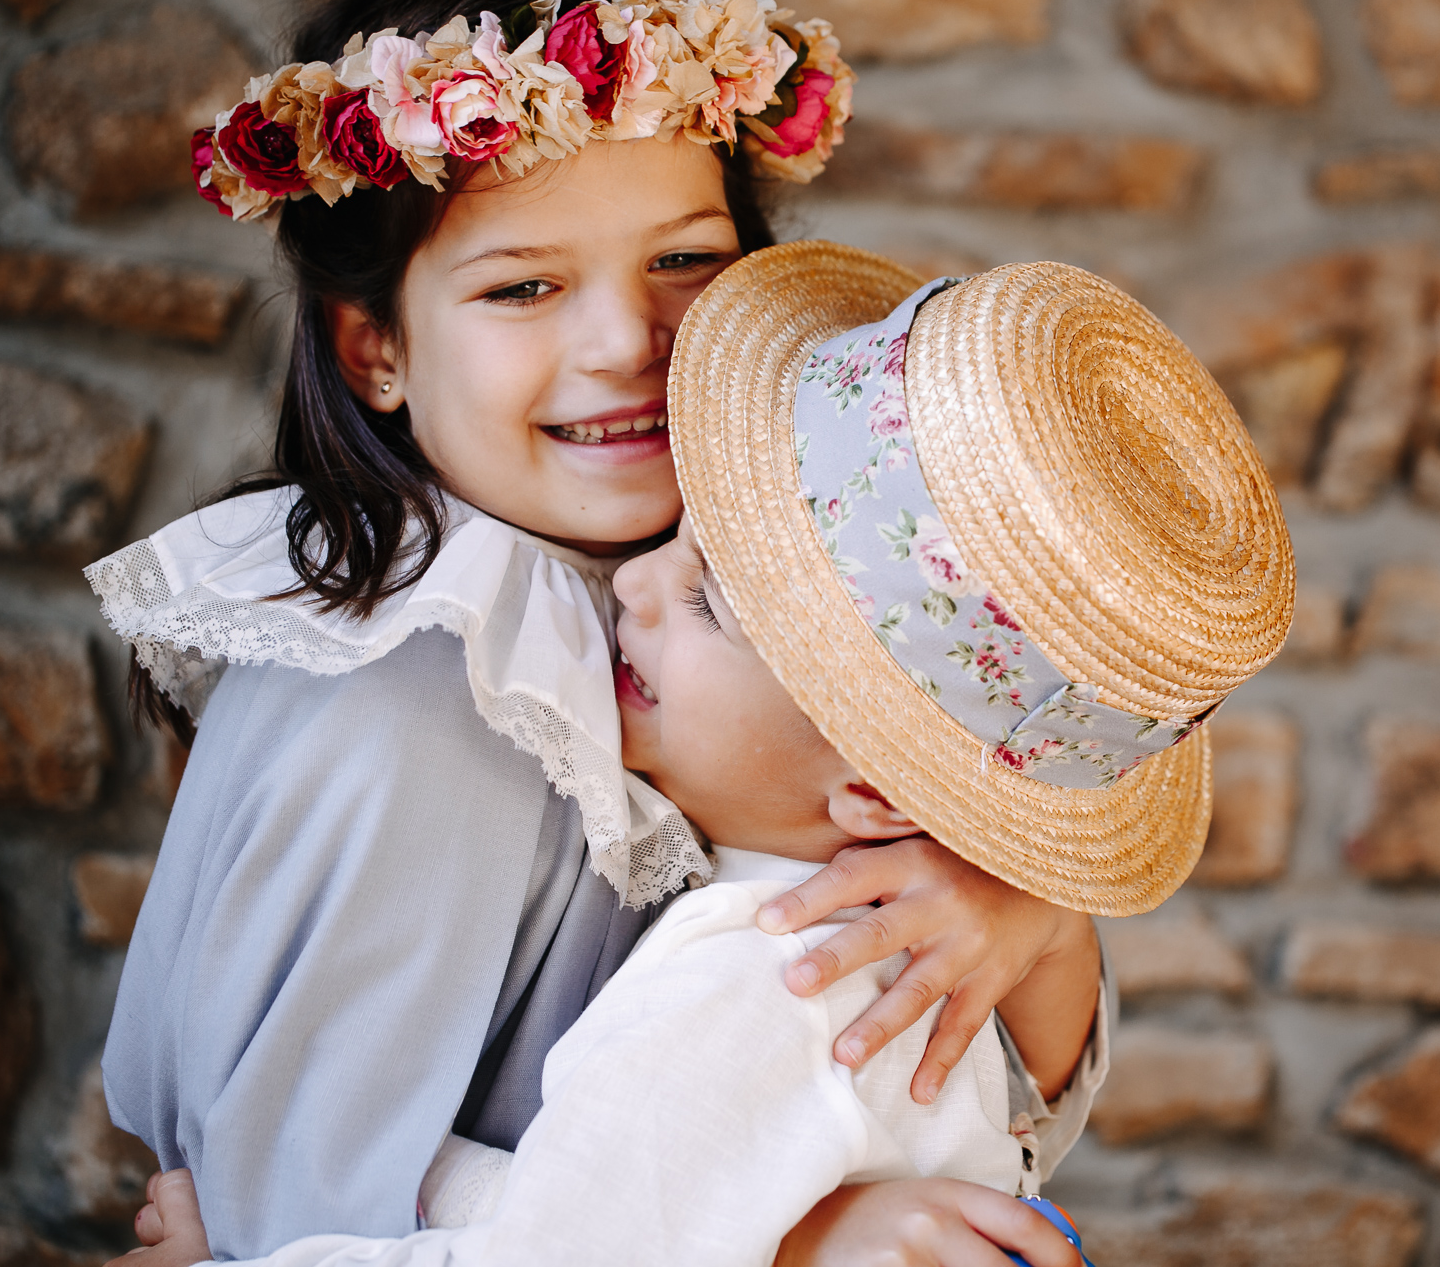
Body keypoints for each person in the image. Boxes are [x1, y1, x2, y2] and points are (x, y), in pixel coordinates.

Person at [87, 0, 1111, 1262]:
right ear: (376, 350)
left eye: (682, 260)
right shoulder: (416, 708)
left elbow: (969, 1120)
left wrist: (1032, 912)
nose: (627, 340)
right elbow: (288, 1220)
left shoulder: (769, 607)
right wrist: (791, 1243)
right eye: (523, 286)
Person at [119, 246, 1295, 1267]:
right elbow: (608, 1218)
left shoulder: (756, 980)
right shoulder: (892, 952)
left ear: (877, 793)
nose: (635, 584)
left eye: (712, 603)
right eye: (682, 548)